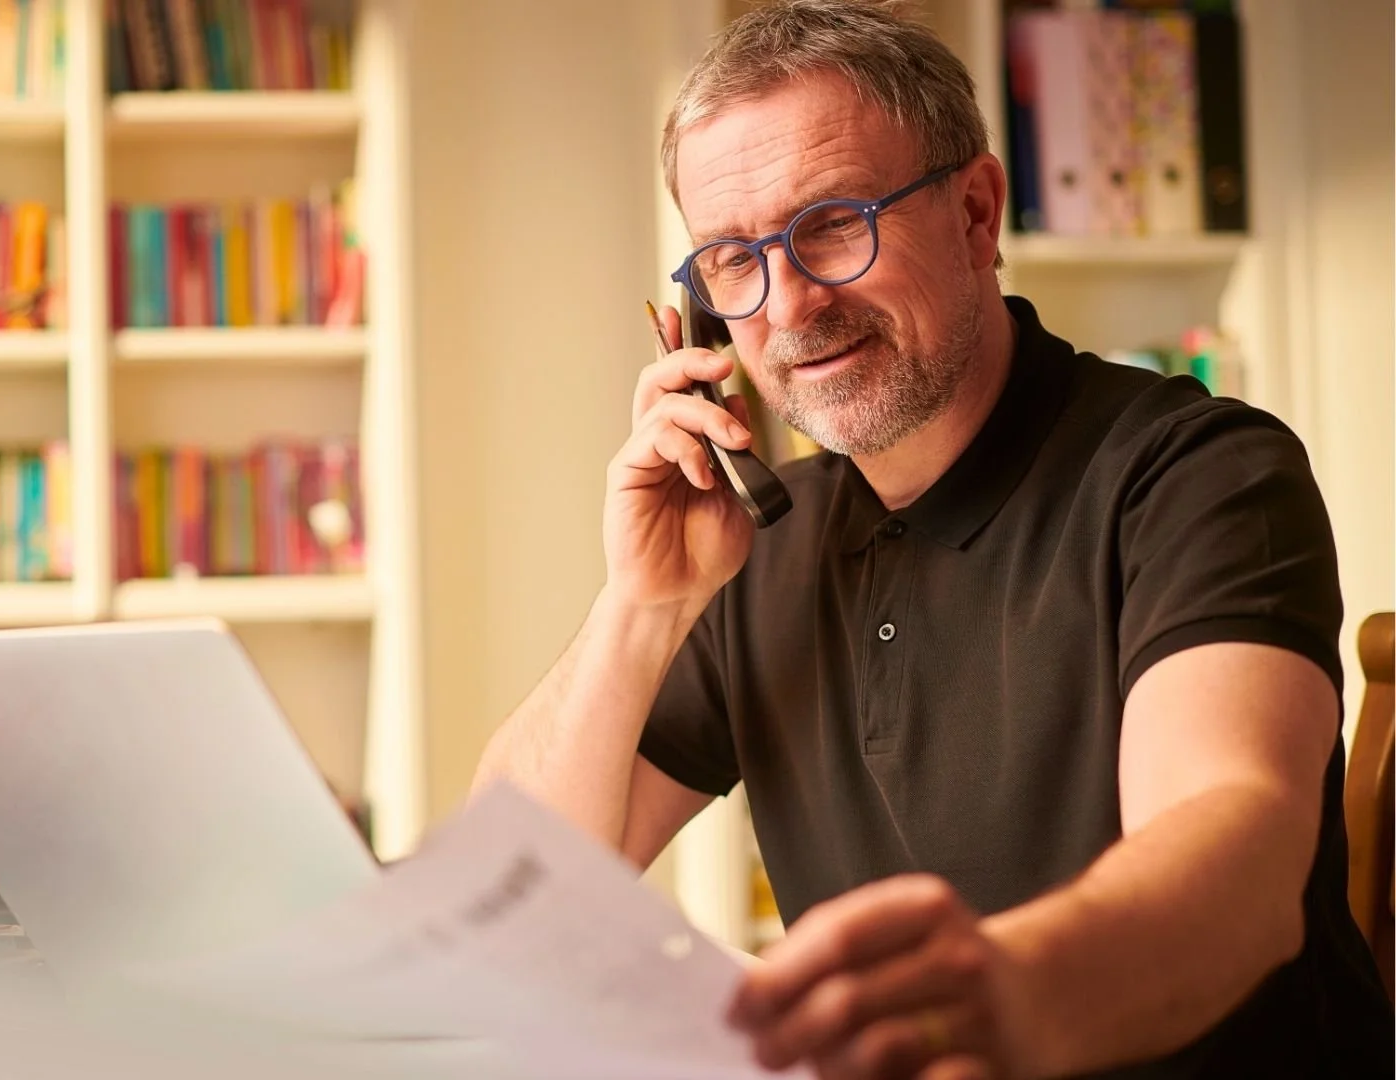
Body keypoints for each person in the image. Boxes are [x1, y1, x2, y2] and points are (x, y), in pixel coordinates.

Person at [469, 2, 1394, 1077]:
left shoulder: (1193, 475)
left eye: (832, 224)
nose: (789, 305)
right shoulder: (759, 541)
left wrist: (1002, 996)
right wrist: (643, 604)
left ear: (976, 212)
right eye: (732, 259)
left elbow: (1236, 867)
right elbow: (506, 886)